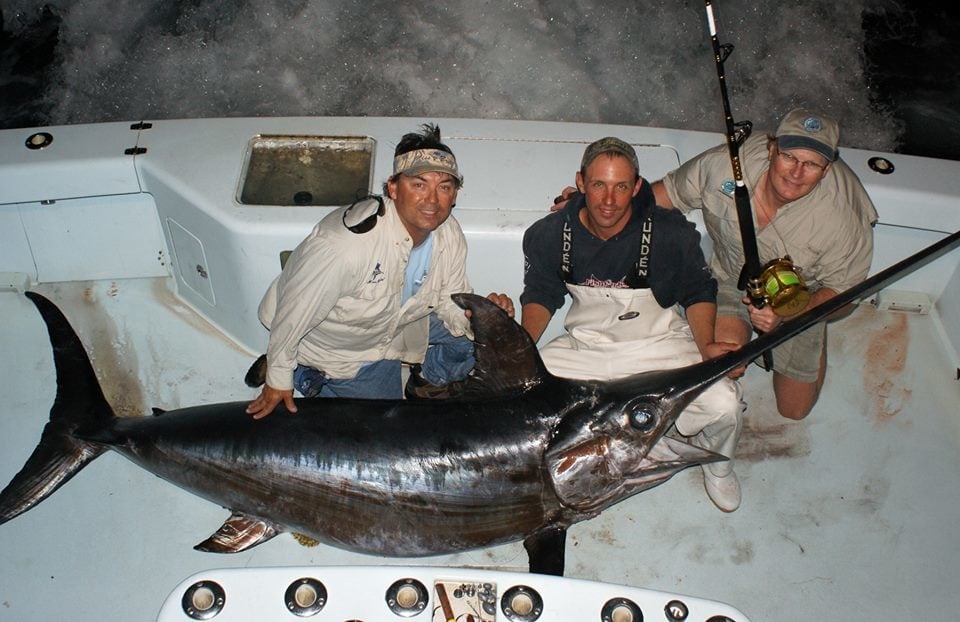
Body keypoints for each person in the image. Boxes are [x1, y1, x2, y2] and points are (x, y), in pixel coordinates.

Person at [522, 136, 745, 512]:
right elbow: (541, 294)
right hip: (586, 345)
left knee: (724, 403)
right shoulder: (548, 234)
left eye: (621, 186)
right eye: (598, 185)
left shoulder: (670, 233)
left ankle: (718, 465)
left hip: (656, 342)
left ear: (637, 187)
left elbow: (697, 291)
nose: (609, 200)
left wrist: (707, 348)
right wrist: (521, 352)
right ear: (580, 183)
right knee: (523, 400)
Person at [246, 123, 514, 419]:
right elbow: (293, 312)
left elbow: (448, 300)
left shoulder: (448, 233)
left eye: (444, 187)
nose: (432, 200)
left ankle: (428, 383)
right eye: (419, 184)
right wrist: (279, 378)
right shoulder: (346, 245)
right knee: (385, 420)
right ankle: (308, 371)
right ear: (393, 188)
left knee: (478, 345)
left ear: (455, 195)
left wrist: (477, 317)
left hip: (394, 321)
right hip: (343, 346)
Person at [652, 108, 877, 420]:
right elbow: (663, 196)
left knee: (794, 411)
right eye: (788, 157)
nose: (796, 172)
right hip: (733, 277)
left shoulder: (846, 219)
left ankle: (810, 337)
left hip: (801, 296)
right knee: (725, 366)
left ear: (826, 170)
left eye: (811, 164)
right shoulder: (724, 165)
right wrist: (590, 205)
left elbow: (842, 297)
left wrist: (793, 311)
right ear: (772, 149)